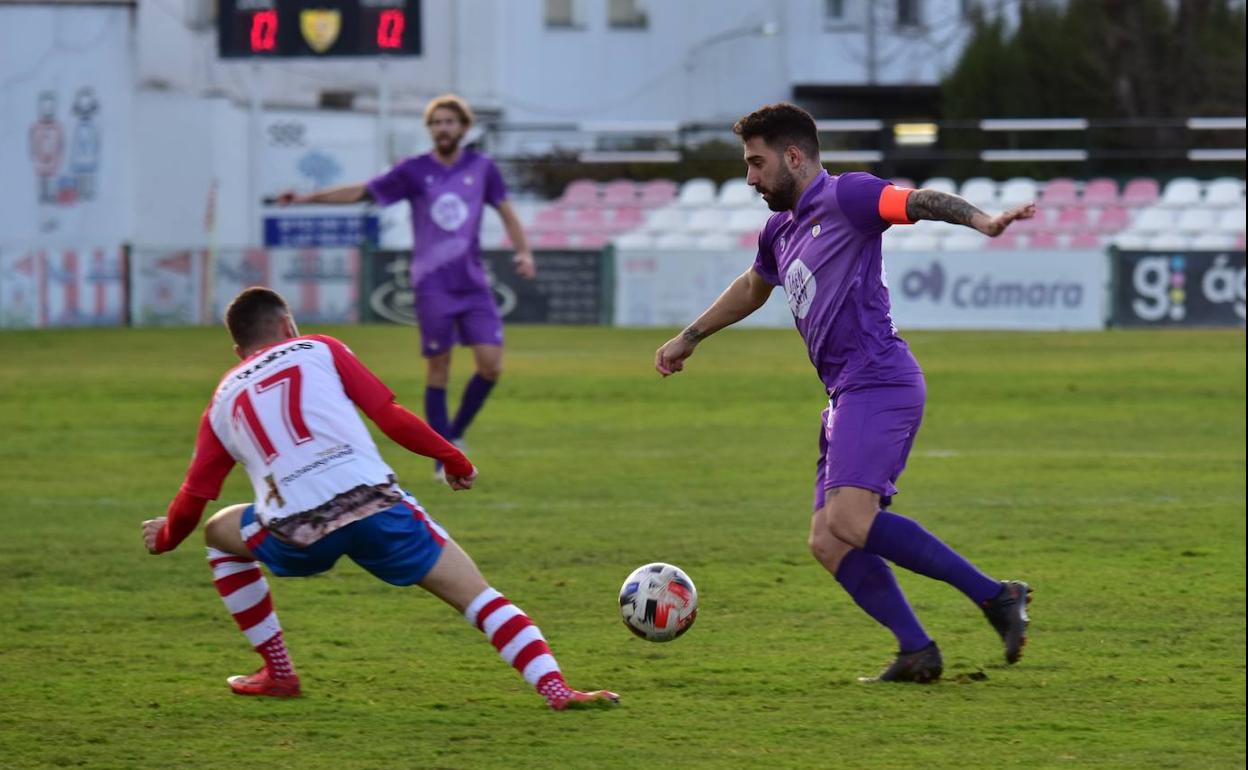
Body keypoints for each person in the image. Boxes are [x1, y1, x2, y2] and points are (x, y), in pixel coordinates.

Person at [654, 103, 1037, 683]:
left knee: (851, 519)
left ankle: (996, 596)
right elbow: (755, 286)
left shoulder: (849, 196)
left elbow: (916, 201)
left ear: (793, 155)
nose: (750, 178)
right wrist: (691, 336)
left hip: (879, 379)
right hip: (843, 394)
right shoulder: (780, 230)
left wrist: (982, 221)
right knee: (828, 540)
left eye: (757, 164)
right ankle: (916, 651)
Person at [141, 287, 616, 710]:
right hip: (374, 506)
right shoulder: (319, 347)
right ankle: (556, 689)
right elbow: (389, 415)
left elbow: (195, 494)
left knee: (218, 530)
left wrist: (164, 537)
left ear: (237, 347)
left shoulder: (222, 399)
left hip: (295, 532)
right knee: (477, 597)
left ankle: (279, 673)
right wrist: (454, 460)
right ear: (287, 326)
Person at [278, 94, 534, 477]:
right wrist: (306, 199)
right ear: (429, 129)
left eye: (450, 122)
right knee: (438, 371)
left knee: (491, 365)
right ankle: (443, 455)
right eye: (436, 122)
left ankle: (455, 433)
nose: (443, 128)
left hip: (473, 283)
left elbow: (508, 213)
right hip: (432, 285)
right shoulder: (414, 170)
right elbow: (363, 191)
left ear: (464, 128)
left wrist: (524, 251)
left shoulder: (482, 168)